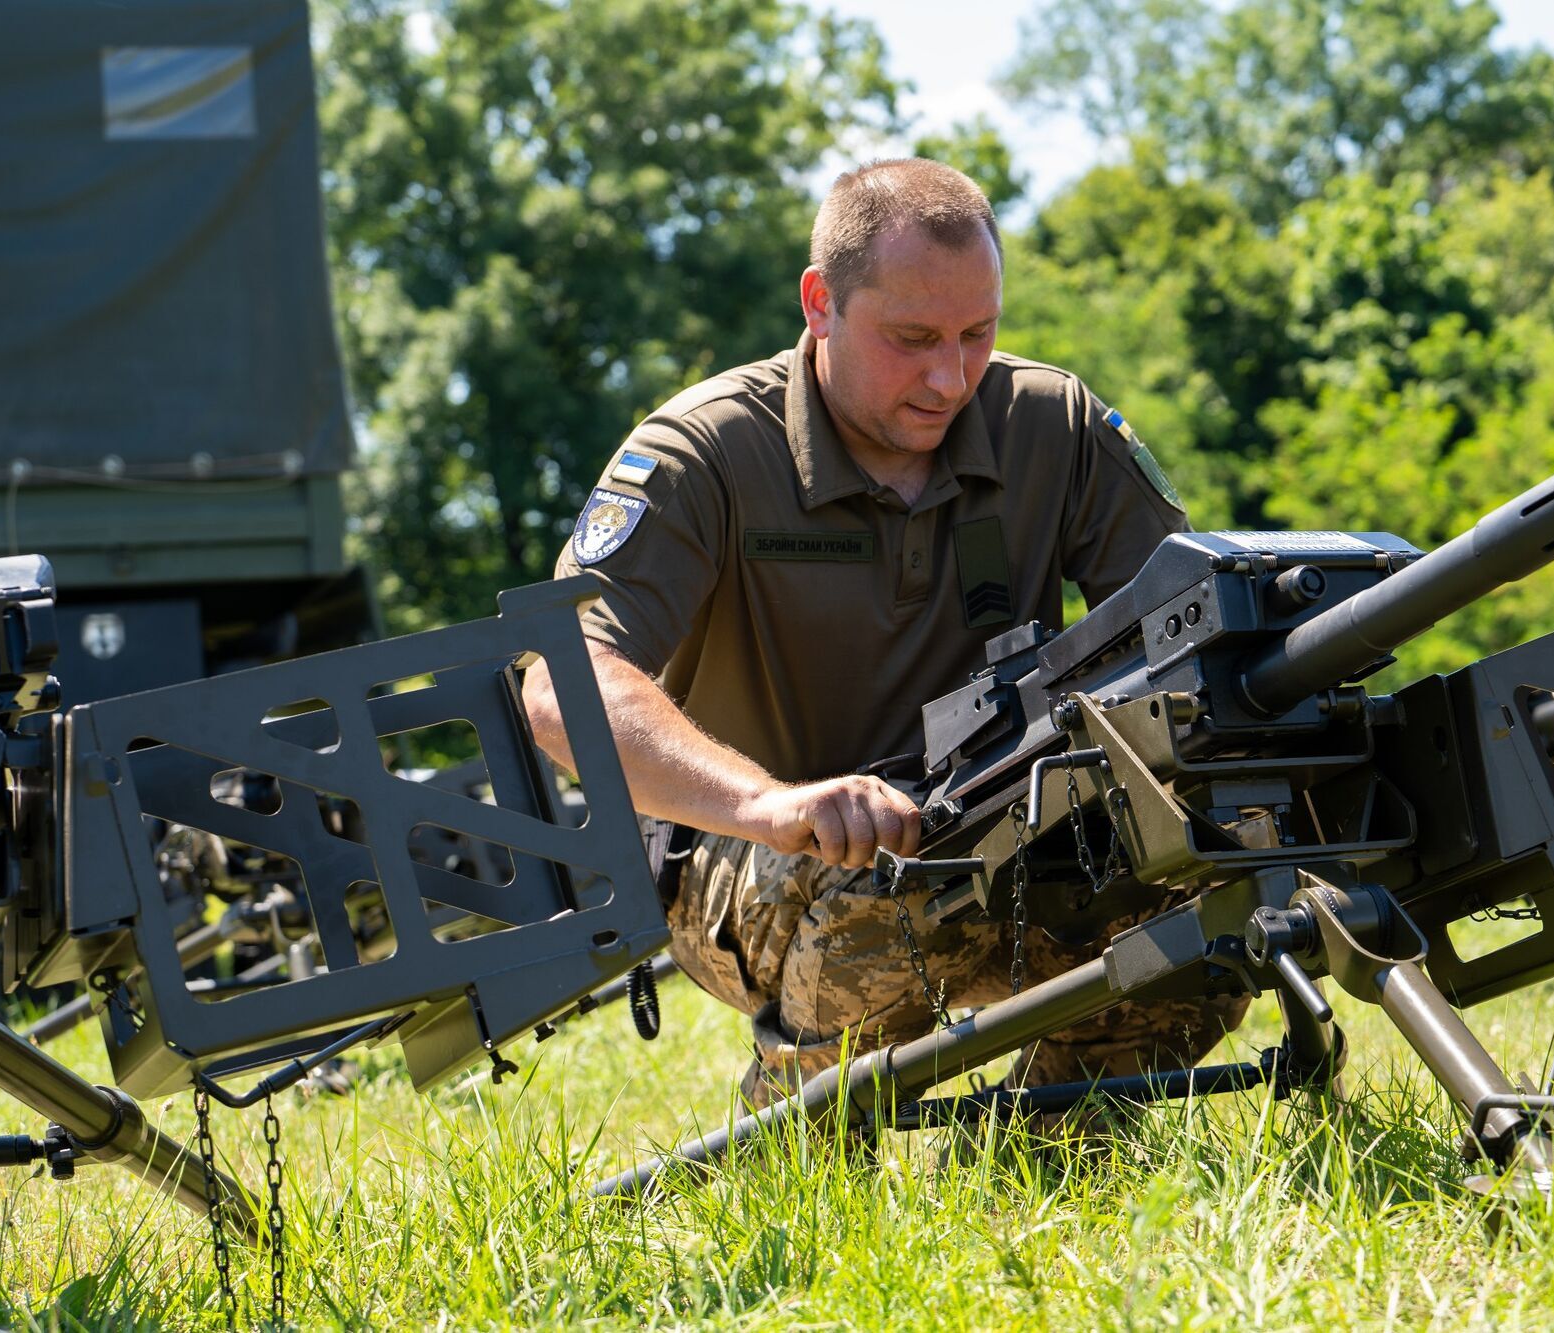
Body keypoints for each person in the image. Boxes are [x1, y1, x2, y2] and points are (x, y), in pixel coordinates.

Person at [522, 159, 1246, 1109]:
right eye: (912, 339)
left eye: (977, 334)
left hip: (1002, 817)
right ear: (821, 303)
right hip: (740, 846)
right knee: (893, 886)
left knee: (1213, 899)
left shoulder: (1051, 427)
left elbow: (1186, 629)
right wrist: (771, 804)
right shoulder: (704, 450)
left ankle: (1041, 1180)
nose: (950, 377)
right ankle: (800, 1149)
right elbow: (560, 692)